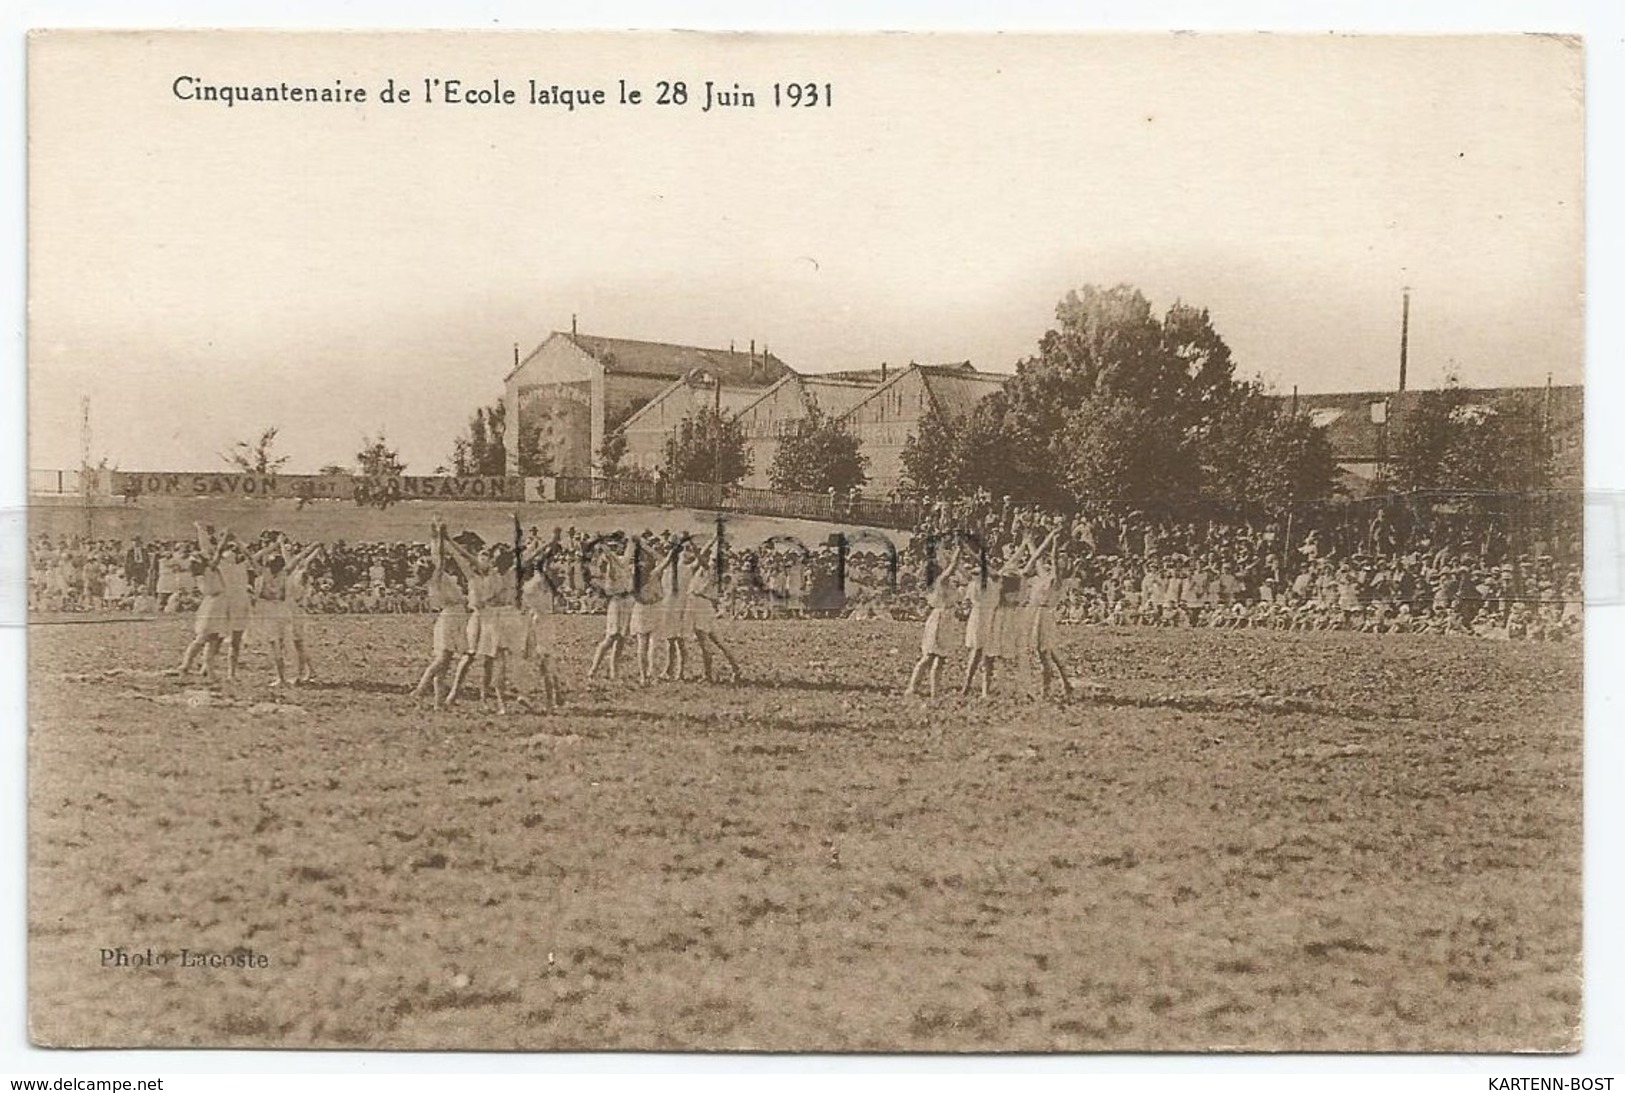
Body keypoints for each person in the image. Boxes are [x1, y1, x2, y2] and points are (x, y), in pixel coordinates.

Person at [410, 519, 468, 709]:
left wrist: (435, 534)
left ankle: (438, 703)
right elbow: (440, 559)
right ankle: (420, 690)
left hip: (452, 615)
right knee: (443, 659)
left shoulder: (436, 579)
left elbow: (437, 556)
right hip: (452, 616)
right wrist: (441, 538)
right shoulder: (436, 578)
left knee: (445, 662)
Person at [1019, 527, 1073, 700]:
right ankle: (1066, 682)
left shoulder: (1058, 580)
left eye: (1064, 559)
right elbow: (1037, 560)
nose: (1058, 560)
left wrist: (1055, 543)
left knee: (1044, 655)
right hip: (1034, 613)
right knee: (1049, 652)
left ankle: (1046, 691)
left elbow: (1055, 561)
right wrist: (1029, 543)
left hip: (1044, 616)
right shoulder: (1045, 576)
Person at [685, 537, 743, 683]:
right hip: (705, 605)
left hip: (700, 604)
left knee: (704, 641)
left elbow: (700, 558)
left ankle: (708, 675)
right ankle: (736, 668)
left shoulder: (710, 569)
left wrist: (694, 545)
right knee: (718, 641)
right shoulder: (714, 571)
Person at [907, 542, 961, 698]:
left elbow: (949, 566)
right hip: (941, 619)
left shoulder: (941, 583)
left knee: (939, 658)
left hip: (946, 619)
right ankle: (913, 687)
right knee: (930, 656)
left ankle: (933, 691)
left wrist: (943, 551)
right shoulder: (941, 582)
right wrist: (958, 550)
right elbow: (952, 566)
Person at [177, 527, 230, 681]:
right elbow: (217, 552)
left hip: (217, 603)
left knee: (213, 639)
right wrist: (224, 537)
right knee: (205, 638)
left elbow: (208, 550)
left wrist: (201, 531)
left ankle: (208, 670)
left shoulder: (203, 571)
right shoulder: (208, 570)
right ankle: (185, 665)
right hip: (214, 604)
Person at [587, 532, 638, 683]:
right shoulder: (612, 566)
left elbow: (627, 554)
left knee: (621, 639)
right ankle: (593, 670)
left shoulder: (623, 561)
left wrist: (631, 541)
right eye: (613, 548)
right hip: (616, 602)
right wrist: (602, 544)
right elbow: (611, 556)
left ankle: (614, 673)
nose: (616, 549)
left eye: (617, 547)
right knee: (611, 638)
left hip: (626, 602)